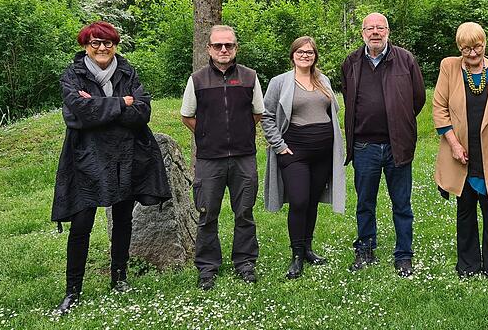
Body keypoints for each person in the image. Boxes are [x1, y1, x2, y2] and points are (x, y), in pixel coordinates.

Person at [52, 21, 171, 314]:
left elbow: (142, 112)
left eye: (108, 43)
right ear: (85, 46)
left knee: (123, 219)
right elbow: (78, 114)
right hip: (86, 159)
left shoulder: (127, 72)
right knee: (81, 224)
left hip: (125, 156)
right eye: (95, 43)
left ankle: (119, 278)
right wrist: (121, 104)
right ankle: (72, 291)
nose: (102, 48)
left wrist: (100, 106)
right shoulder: (72, 75)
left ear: (115, 45)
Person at [432, 22, 488, 278]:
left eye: (477, 47)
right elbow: (439, 108)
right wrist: (454, 144)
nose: (472, 53)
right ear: (459, 48)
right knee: (465, 207)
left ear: (485, 44)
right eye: (466, 49)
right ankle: (468, 266)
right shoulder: (449, 66)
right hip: (462, 149)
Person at [341, 12, 426, 277]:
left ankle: (403, 255)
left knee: (402, 204)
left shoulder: (405, 59)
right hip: (365, 146)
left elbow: (418, 99)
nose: (375, 32)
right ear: (362, 32)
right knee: (365, 202)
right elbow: (348, 96)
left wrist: (399, 121)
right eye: (370, 28)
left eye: (380, 27)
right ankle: (365, 250)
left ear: (388, 31)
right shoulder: (352, 62)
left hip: (396, 145)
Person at [180, 25, 264, 290]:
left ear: (235, 48)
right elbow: (187, 116)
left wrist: (239, 133)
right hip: (209, 160)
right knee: (206, 214)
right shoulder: (197, 79)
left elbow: (257, 113)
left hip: (243, 158)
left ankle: (245, 262)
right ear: (209, 49)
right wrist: (207, 135)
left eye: (228, 45)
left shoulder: (250, 77)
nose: (224, 50)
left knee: (245, 213)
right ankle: (207, 268)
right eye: (218, 45)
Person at [261, 36, 346, 279]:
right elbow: (266, 115)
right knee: (298, 201)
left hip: (323, 153)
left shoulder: (323, 81)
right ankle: (296, 255)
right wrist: (278, 145)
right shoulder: (280, 82)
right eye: (300, 52)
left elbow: (332, 113)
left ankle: (308, 248)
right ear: (293, 55)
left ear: (315, 56)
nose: (305, 55)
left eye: (309, 52)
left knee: (311, 201)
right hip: (294, 151)